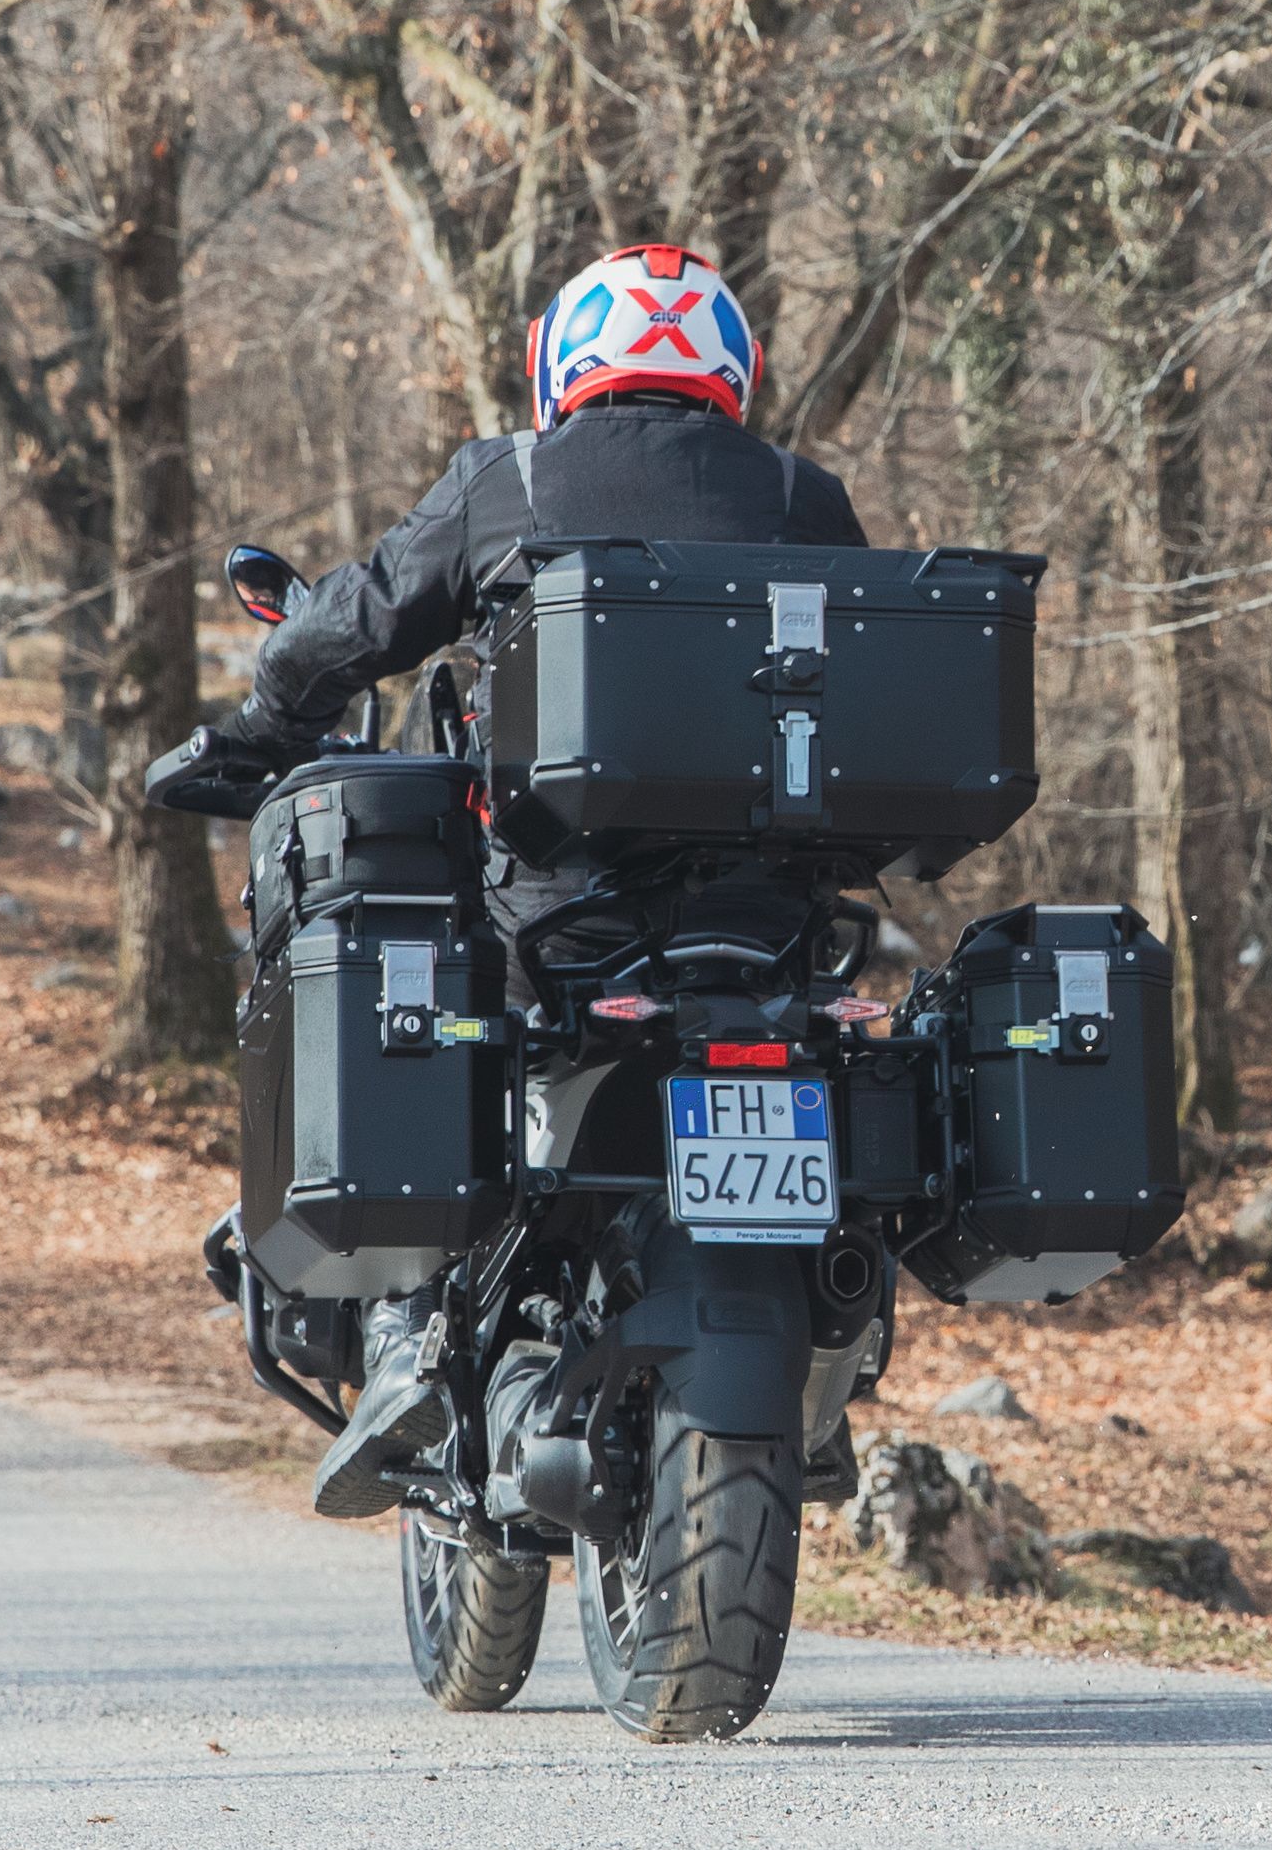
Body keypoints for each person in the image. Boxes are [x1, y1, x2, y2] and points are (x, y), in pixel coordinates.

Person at [183, 241, 866, 1516]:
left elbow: (358, 618)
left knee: (405, 986)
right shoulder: (801, 496)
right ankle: (830, 1341)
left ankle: (400, 1333)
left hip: (560, 918)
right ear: (730, 367)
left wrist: (260, 723)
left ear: (569, 360)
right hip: (768, 928)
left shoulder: (516, 476)